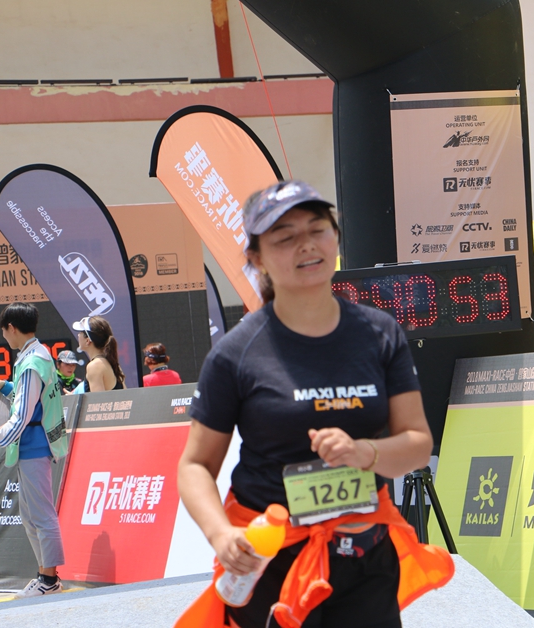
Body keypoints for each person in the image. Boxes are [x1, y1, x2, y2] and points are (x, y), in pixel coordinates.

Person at [176, 181, 451, 628]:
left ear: (335, 238)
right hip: (270, 559)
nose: (306, 245)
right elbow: (194, 466)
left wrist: (365, 452)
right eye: (285, 237)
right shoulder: (236, 352)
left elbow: (418, 443)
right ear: (257, 258)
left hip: (365, 555)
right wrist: (220, 533)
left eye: (317, 229)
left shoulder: (380, 334)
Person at [0, 302, 67, 597]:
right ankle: (45, 576)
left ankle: (49, 580)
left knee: (41, 516)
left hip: (34, 447)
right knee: (32, 517)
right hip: (33, 446)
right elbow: (28, 397)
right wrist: (5, 386)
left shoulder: (31, 362)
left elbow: (21, 418)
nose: (4, 337)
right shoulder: (37, 354)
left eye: (4, 331)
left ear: (11, 328)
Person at [72, 316, 124, 392]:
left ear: (87, 341)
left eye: (80, 332)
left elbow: (98, 400)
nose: (78, 335)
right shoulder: (113, 364)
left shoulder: (94, 366)